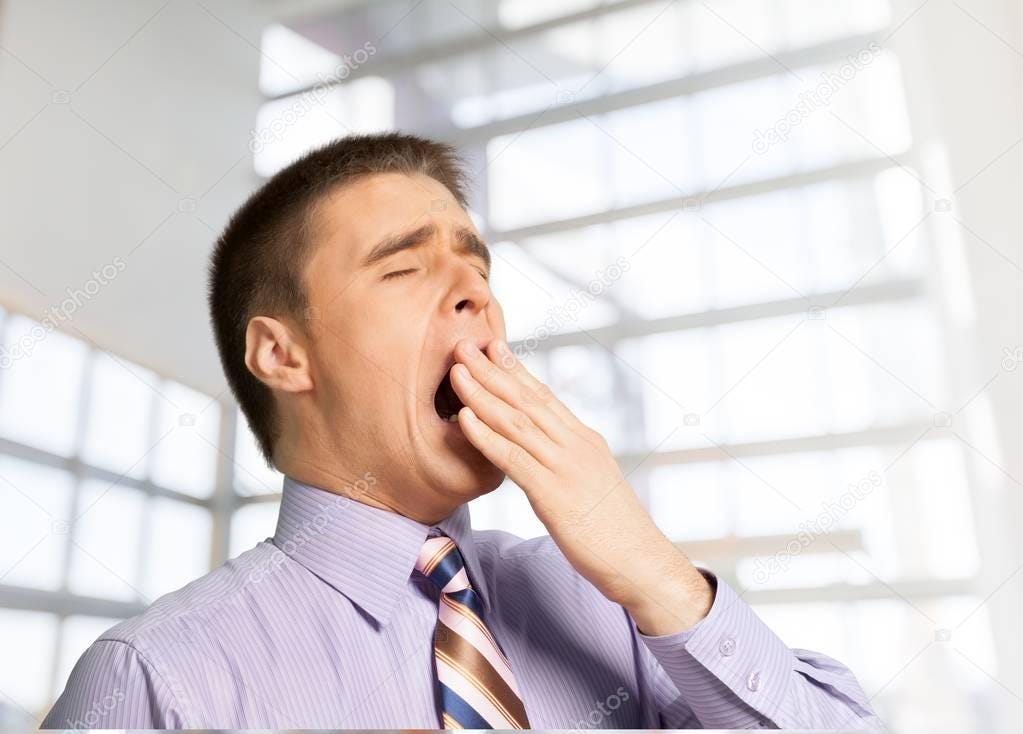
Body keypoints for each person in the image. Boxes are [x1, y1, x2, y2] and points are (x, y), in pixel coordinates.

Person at [44, 133, 881, 730]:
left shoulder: (613, 608)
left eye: (478, 269)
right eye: (404, 268)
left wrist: (657, 574)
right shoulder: (156, 678)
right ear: (282, 353)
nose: (475, 295)